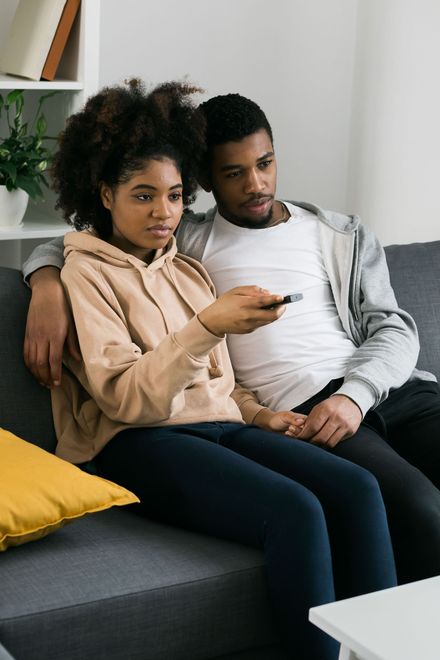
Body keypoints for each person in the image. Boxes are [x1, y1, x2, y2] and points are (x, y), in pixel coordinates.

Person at [32, 78, 396, 660]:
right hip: (139, 442)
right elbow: (128, 400)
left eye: (175, 196)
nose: (163, 213)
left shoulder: (188, 272)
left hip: (220, 428)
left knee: (358, 487)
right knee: (295, 509)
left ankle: (386, 651)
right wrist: (209, 326)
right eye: (143, 195)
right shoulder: (86, 276)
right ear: (105, 194)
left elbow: (224, 384)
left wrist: (260, 414)